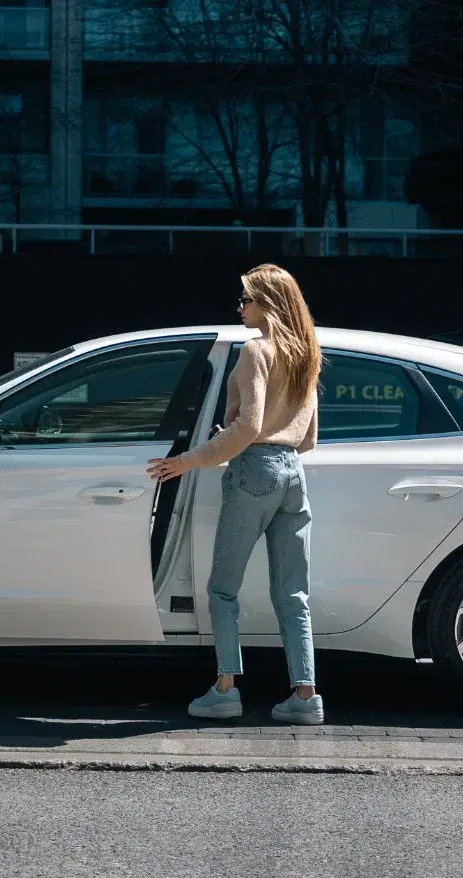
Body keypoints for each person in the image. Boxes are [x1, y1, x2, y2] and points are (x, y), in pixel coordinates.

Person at [147, 263, 324, 725]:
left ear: (268, 303)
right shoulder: (307, 352)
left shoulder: (256, 351)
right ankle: (306, 696)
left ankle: (225, 690)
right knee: (293, 594)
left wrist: (188, 460)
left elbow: (248, 426)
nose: (240, 307)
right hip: (293, 474)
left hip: (255, 470)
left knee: (223, 589)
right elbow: (308, 439)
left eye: (246, 299)